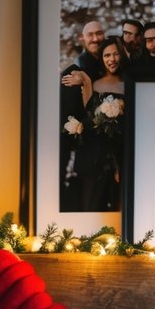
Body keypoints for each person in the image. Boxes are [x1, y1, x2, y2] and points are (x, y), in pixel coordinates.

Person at [63, 36, 126, 212]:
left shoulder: (130, 84)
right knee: (92, 205)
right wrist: (85, 80)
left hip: (120, 153)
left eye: (115, 54)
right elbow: (88, 116)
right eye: (107, 55)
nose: (111, 59)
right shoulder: (95, 83)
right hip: (94, 155)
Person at [59, 18, 106, 208]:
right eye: (90, 35)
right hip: (85, 147)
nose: (95, 39)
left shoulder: (109, 64)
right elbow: (68, 117)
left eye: (99, 33)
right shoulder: (74, 72)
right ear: (82, 38)